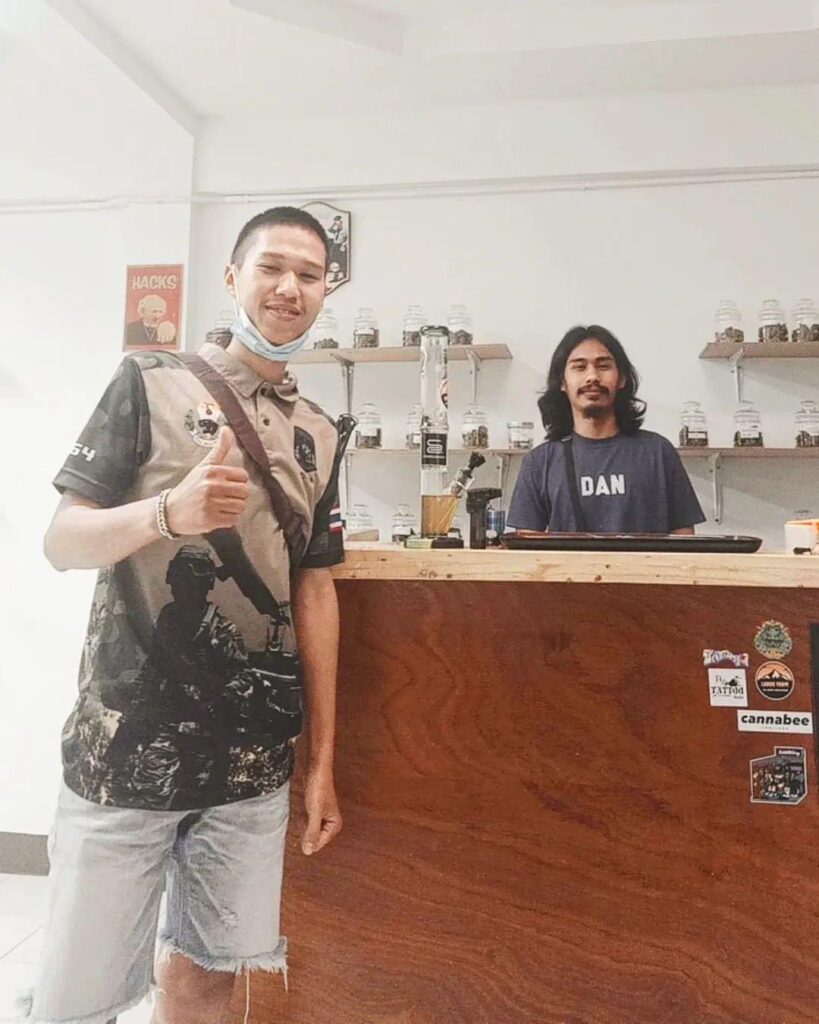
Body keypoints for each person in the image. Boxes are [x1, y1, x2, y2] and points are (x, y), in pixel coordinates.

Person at [27, 207, 349, 1024]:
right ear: (233, 278)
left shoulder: (319, 431)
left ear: (327, 291)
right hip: (129, 753)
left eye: (310, 275)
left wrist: (319, 761)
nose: (289, 287)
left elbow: (314, 590)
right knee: (77, 999)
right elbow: (62, 541)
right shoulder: (147, 380)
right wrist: (169, 513)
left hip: (249, 769)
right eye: (271, 267)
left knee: (209, 978)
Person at [507, 324, 705, 534]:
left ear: (622, 379)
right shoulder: (539, 462)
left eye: (603, 366)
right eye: (579, 367)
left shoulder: (659, 452)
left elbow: (684, 537)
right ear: (562, 382)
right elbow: (528, 544)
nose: (592, 376)